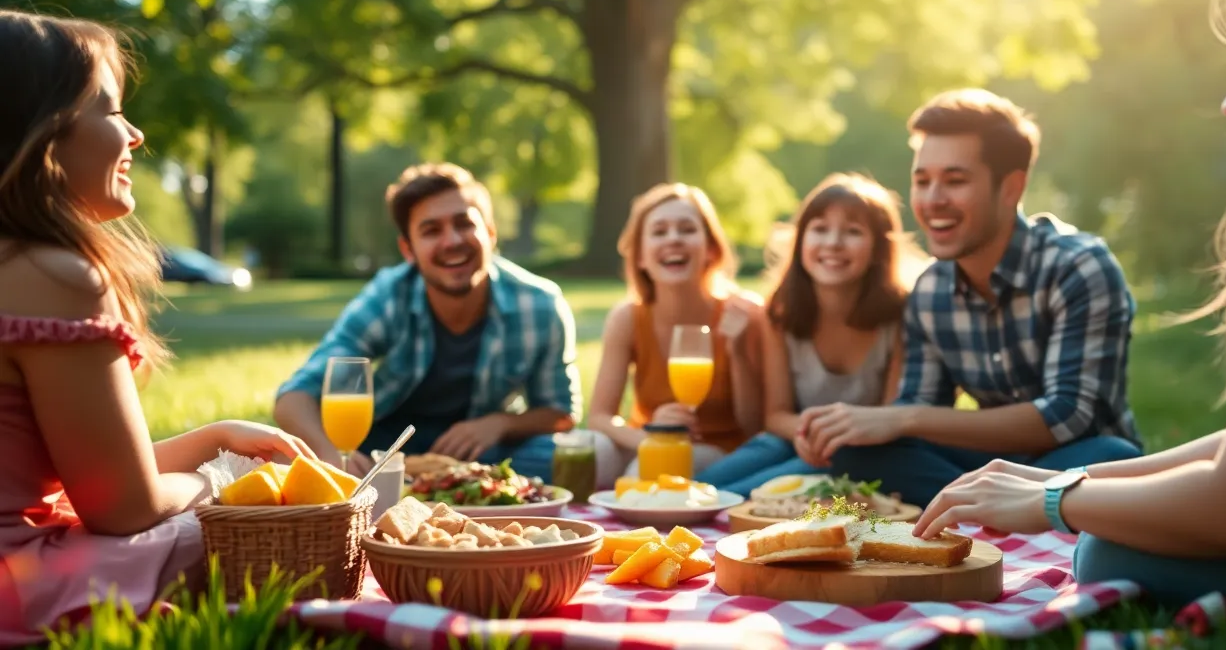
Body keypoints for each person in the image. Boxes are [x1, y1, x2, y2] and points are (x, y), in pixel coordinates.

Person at [911, 0, 1226, 630]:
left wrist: (1060, 498)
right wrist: (1056, 486)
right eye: (923, 179)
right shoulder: (930, 289)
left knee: (1109, 546)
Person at [0, 10, 315, 643]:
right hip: (22, 584)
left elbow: (91, 479)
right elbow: (124, 509)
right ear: (47, 133)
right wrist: (222, 481)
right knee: (267, 537)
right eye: (113, 111)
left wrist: (212, 437)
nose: (136, 135)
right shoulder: (54, 275)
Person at [799, 89, 1144, 507]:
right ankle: (992, 507)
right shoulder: (929, 290)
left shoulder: (1078, 267)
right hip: (990, 463)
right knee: (858, 452)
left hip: (1077, 460)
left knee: (1112, 456)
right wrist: (862, 425)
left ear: (1011, 188)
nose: (932, 200)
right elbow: (920, 405)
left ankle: (982, 504)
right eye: (923, 181)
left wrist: (903, 417)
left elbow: (1069, 414)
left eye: (955, 180)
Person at [273, 163, 581, 481]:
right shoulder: (388, 297)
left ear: (490, 232)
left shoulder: (540, 304)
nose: (452, 241)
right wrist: (332, 456)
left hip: (479, 451)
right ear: (408, 249)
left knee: (573, 455)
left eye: (464, 224)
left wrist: (498, 424)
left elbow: (561, 413)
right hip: (386, 446)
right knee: (271, 457)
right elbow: (294, 398)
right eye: (431, 230)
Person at [695, 173, 930, 496]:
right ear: (800, 241)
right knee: (703, 487)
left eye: (852, 232)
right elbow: (775, 415)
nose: (833, 242)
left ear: (879, 248)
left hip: (860, 452)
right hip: (794, 438)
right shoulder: (779, 313)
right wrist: (809, 433)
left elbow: (892, 414)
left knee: (732, 498)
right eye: (819, 229)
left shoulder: (900, 316)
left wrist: (833, 437)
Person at [587, 183, 767, 489]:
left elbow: (754, 427)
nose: (673, 239)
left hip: (717, 451)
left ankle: (641, 529)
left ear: (711, 249)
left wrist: (737, 351)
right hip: (648, 438)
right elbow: (600, 417)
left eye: (686, 229)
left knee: (642, 474)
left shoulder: (743, 313)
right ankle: (582, 526)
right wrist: (650, 436)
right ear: (640, 256)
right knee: (592, 447)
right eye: (659, 232)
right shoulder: (628, 318)